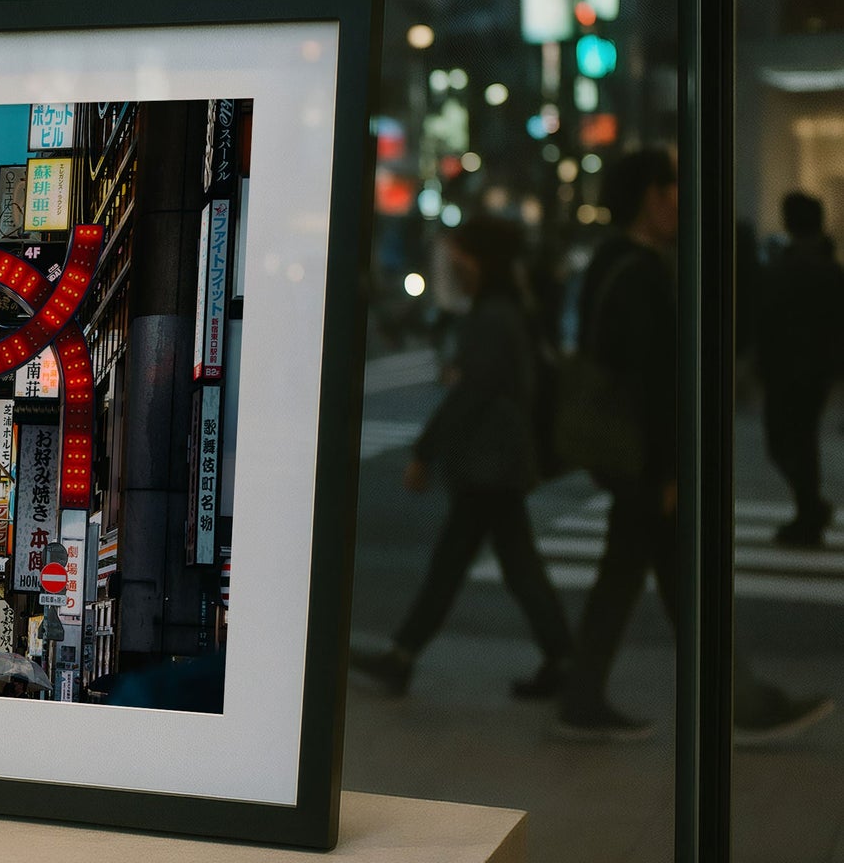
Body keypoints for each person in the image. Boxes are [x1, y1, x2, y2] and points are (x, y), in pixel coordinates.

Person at [555, 150, 833, 743]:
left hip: (622, 456)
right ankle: (742, 705)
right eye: (674, 188)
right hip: (647, 462)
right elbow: (656, 384)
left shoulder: (608, 262)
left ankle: (587, 697)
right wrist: (670, 472)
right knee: (686, 585)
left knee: (644, 578)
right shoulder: (644, 273)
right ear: (652, 197)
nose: (682, 200)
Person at [351, 218, 573, 699]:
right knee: (495, 563)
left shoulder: (494, 315)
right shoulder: (504, 309)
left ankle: (404, 656)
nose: (455, 263)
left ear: (481, 260)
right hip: (496, 462)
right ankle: (561, 659)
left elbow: (473, 393)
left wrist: (425, 450)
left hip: (491, 463)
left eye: (463, 255)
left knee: (480, 563)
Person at [753, 192, 844, 546]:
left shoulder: (787, 266)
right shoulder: (828, 267)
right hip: (813, 371)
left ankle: (810, 510)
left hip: (787, 369)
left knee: (784, 441)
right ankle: (810, 509)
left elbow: (767, 318)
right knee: (801, 442)